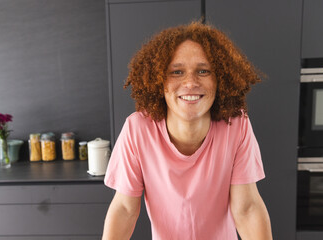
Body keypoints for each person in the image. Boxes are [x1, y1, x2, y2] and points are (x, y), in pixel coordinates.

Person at [102, 22, 272, 240]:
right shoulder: (137, 129)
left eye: (203, 71)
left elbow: (247, 207)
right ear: (158, 80)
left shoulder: (237, 126)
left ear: (220, 79)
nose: (190, 82)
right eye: (177, 72)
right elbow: (125, 209)